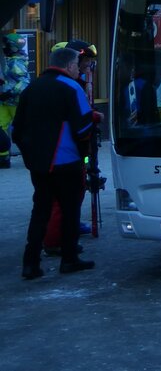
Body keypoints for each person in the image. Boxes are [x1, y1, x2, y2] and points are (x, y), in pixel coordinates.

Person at [12, 43, 101, 278]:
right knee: (70, 210)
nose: (80, 71)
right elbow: (83, 128)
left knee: (40, 210)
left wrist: (31, 156)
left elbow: (17, 130)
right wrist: (86, 145)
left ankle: (30, 263)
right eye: (78, 67)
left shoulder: (31, 88)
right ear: (70, 65)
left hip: (39, 163)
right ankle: (69, 259)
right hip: (67, 161)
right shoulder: (72, 87)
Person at [43, 40, 99, 253]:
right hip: (67, 152)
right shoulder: (68, 85)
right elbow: (76, 118)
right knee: (63, 197)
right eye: (82, 62)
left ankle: (67, 228)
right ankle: (55, 239)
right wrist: (91, 119)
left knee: (75, 192)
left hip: (69, 151)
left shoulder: (76, 82)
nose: (85, 66)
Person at [0, 32, 31, 168]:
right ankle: (3, 157)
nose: (3, 47)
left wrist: (9, 93)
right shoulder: (9, 61)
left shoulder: (16, 62)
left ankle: (31, 156)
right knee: (1, 128)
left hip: (14, 102)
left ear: (12, 47)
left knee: (22, 131)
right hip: (4, 102)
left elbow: (24, 82)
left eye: (6, 45)